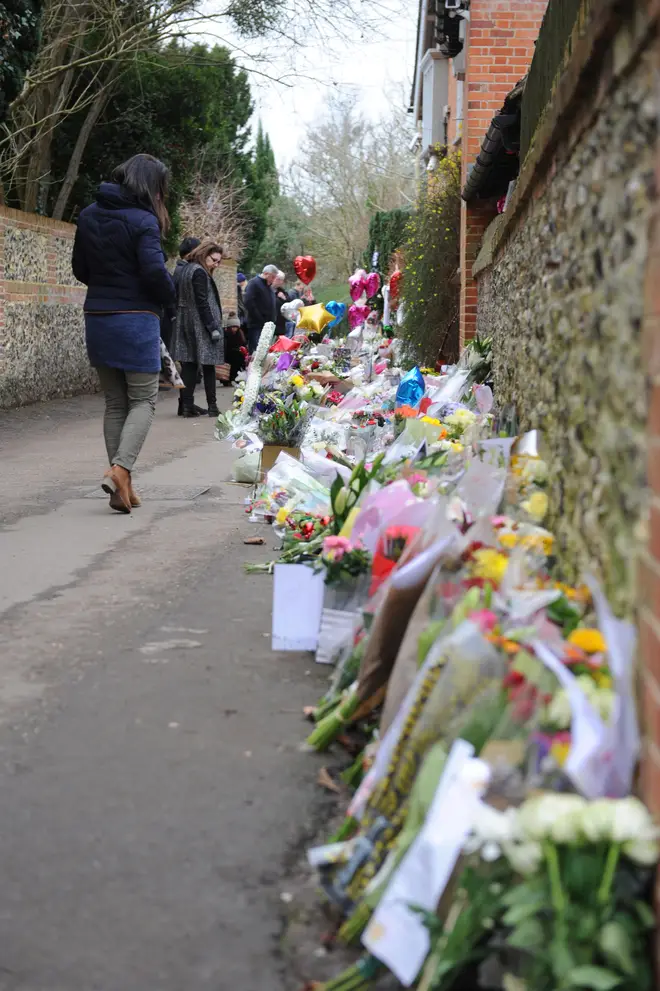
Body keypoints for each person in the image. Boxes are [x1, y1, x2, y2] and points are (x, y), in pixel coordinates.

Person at [72, 152, 175, 515]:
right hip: (135, 320)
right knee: (144, 400)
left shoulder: (87, 215)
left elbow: (79, 268)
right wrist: (170, 296)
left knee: (116, 402)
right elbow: (153, 271)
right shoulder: (144, 220)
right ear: (150, 186)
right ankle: (119, 471)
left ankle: (124, 486)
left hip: (98, 317)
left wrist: (107, 287)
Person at [172, 240, 225, 418]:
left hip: (185, 320)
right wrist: (212, 327)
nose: (216, 264)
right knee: (209, 363)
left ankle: (187, 406)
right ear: (204, 254)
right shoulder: (200, 272)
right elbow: (202, 302)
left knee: (188, 364)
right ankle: (213, 406)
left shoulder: (186, 268)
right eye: (214, 260)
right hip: (200, 323)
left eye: (219, 261)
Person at [244, 264, 277, 353]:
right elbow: (249, 302)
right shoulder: (254, 283)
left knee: (265, 351)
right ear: (266, 274)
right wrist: (260, 318)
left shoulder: (268, 286)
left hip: (267, 325)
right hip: (257, 324)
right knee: (256, 351)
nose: (273, 280)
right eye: (272, 277)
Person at [224, 312, 247, 385]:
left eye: (236, 327)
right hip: (229, 353)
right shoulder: (226, 334)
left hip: (237, 353)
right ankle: (227, 380)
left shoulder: (240, 334)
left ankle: (235, 377)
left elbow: (243, 343)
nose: (234, 329)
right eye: (233, 327)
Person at [273, 270, 289, 337]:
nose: (281, 282)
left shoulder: (282, 291)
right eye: (279, 280)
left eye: (282, 280)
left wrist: (284, 298)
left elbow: (289, 304)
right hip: (271, 322)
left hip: (281, 323)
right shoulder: (267, 290)